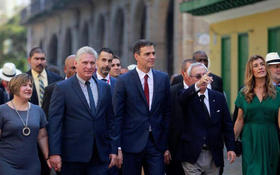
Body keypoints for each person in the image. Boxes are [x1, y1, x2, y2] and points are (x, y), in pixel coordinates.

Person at [48, 46, 117, 175]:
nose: (89, 66)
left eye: (92, 63)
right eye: (85, 62)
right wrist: (54, 153)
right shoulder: (62, 88)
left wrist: (113, 149)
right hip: (72, 157)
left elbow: (110, 121)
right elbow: (55, 123)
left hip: (100, 156)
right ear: (76, 63)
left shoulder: (105, 88)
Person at [113, 39, 171, 175]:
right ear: (136, 56)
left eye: (153, 53)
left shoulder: (162, 78)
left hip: (156, 144)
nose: (152, 57)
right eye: (147, 54)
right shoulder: (124, 81)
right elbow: (117, 115)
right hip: (131, 143)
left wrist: (165, 144)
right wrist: (118, 147)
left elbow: (167, 112)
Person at [179, 62, 236, 175]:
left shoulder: (218, 97)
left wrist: (231, 147)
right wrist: (197, 85)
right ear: (189, 78)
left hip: (213, 153)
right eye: (198, 77)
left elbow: (227, 124)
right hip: (192, 154)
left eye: (205, 75)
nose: (203, 79)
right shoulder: (186, 95)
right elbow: (182, 100)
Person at [234, 55, 280, 175]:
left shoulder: (277, 93)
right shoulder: (244, 93)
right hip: (250, 138)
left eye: (262, 64)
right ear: (251, 71)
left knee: (270, 170)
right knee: (252, 170)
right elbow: (239, 121)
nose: (260, 67)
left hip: (270, 137)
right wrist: (231, 143)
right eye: (256, 65)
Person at [0, 73, 50, 174]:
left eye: (30, 85)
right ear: (15, 87)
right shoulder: (2, 110)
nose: (29, 88)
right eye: (24, 85)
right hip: (7, 164)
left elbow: (42, 136)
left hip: (32, 164)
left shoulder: (38, 110)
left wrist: (47, 157)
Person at [166, 59, 195, 175]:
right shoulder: (171, 92)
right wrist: (165, 148)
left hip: (199, 151)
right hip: (176, 150)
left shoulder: (207, 92)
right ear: (184, 74)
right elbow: (166, 121)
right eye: (191, 71)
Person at [42, 54, 76, 119]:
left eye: (78, 68)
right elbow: (45, 117)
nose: (76, 71)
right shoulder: (51, 89)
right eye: (73, 68)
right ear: (65, 69)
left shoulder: (86, 88)